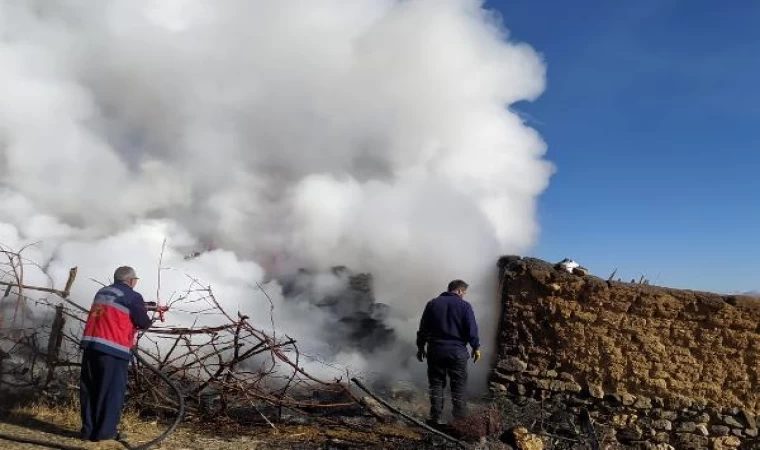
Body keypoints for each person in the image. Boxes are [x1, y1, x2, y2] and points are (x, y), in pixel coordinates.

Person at [79, 266, 152, 442]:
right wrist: (148, 315)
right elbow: (143, 322)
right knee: (112, 392)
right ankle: (105, 434)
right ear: (131, 281)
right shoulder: (133, 296)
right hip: (113, 350)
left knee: (90, 390)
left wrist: (145, 306)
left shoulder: (102, 291)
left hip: (91, 346)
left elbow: (117, 310)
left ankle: (88, 432)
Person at [416, 279, 481, 425]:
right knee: (458, 385)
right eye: (464, 292)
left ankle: (435, 417)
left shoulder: (432, 304)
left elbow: (423, 329)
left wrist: (420, 347)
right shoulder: (465, 306)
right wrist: (476, 347)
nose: (464, 295)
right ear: (459, 291)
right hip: (457, 352)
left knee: (436, 384)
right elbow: (472, 329)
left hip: (435, 351)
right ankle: (460, 421)